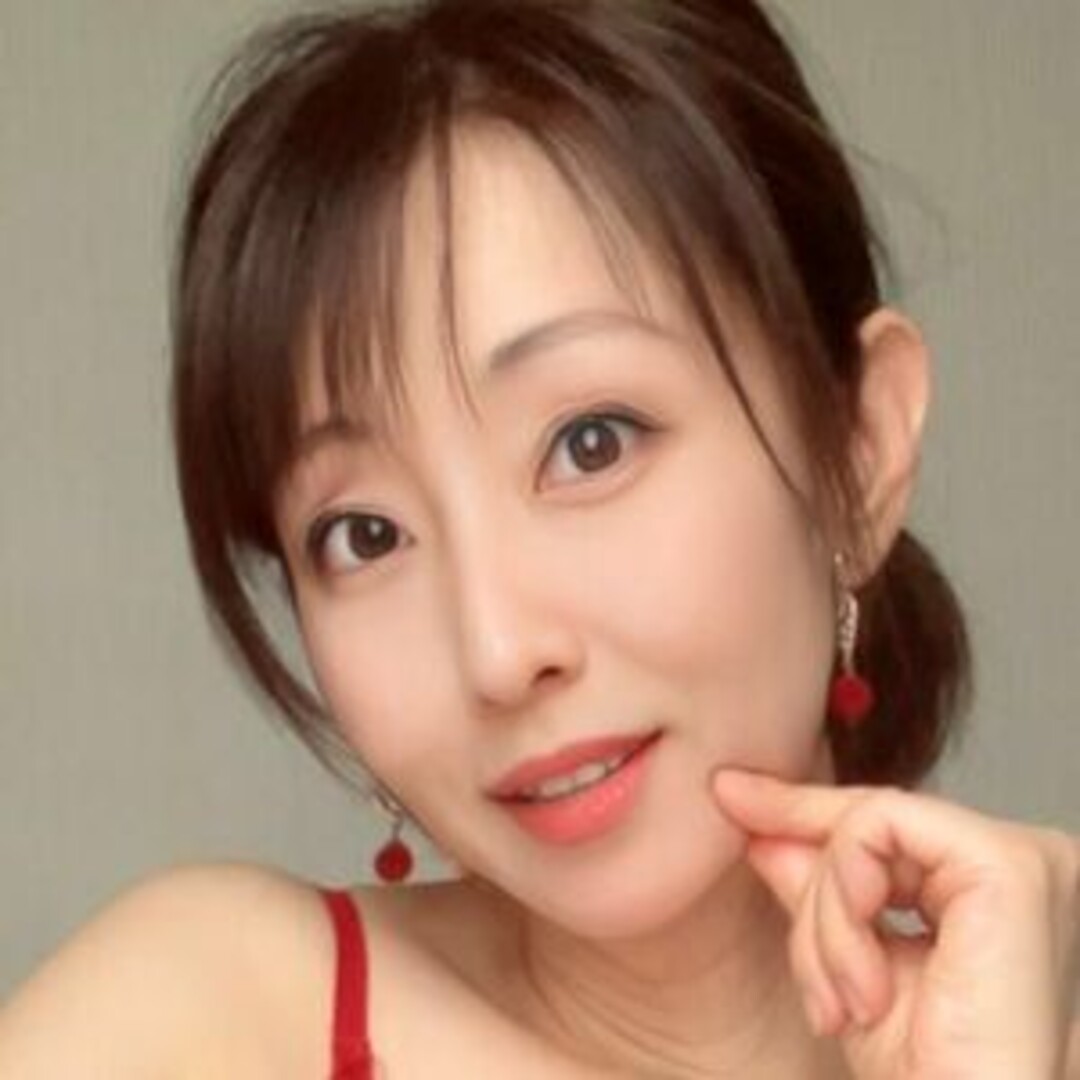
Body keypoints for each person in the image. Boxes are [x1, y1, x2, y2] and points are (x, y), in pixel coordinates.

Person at [1, 0, 1077, 1076]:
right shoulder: (201, 1018)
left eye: (591, 444)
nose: (499, 652)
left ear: (859, 450)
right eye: (365, 535)